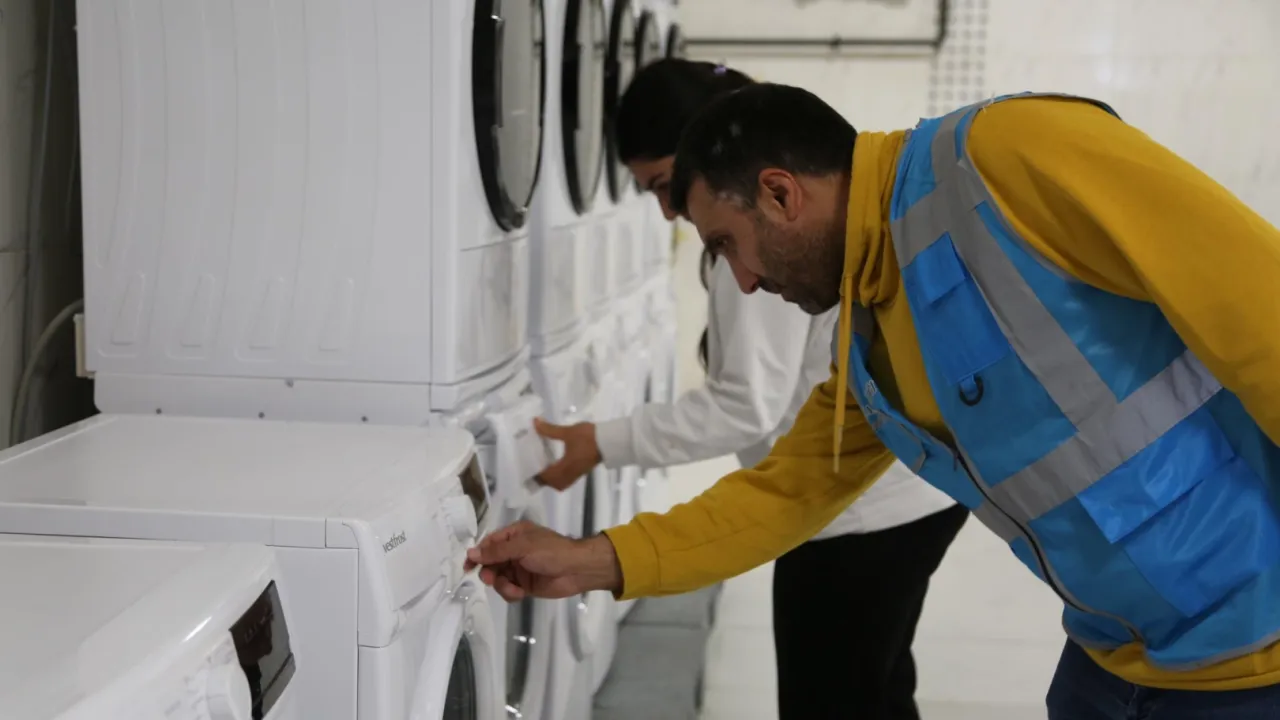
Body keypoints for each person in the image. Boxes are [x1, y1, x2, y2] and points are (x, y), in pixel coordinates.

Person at [468, 82, 1280, 719]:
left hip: (1258, 656)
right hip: (1116, 656)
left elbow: (1260, 313)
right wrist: (589, 560)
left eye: (726, 246)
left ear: (781, 194)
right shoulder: (872, 334)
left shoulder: (1009, 155)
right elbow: (785, 495)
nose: (741, 282)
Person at [534, 59, 965, 720]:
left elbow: (747, 406)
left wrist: (602, 443)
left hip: (860, 515)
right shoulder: (796, 235)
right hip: (899, 491)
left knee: (835, 700)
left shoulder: (766, 247)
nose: (666, 210)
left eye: (665, 185)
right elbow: (784, 444)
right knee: (874, 689)